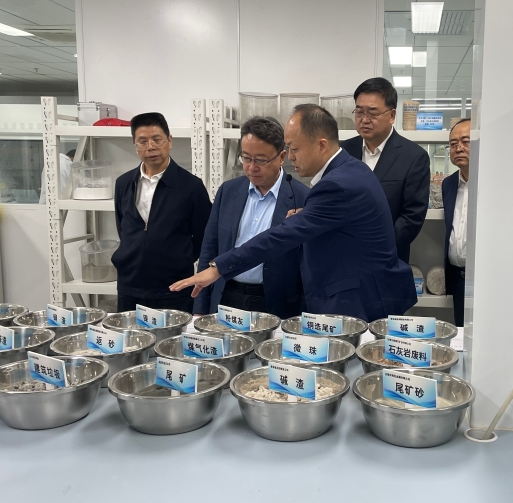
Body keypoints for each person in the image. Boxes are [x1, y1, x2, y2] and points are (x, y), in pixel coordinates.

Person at [170, 104, 417, 321]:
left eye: (294, 149)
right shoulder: (351, 170)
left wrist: (218, 268)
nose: (291, 158)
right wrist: (308, 215)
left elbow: (278, 237)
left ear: (321, 145)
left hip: (357, 299)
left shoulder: (336, 184)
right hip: (367, 290)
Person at [194, 116, 309, 318]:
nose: (251, 167)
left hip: (275, 303)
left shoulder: (302, 198)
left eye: (261, 160)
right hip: (226, 295)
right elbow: (209, 249)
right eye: (246, 158)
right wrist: (200, 310)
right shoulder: (228, 191)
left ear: (281, 157)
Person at [112, 112, 212, 314]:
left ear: (169, 141)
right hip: (130, 287)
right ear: (135, 145)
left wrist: (177, 259)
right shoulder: (124, 183)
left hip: (175, 288)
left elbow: (204, 238)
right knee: (130, 334)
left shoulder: (191, 186)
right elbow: (123, 228)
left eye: (157, 140)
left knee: (173, 335)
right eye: (143, 141)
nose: (150, 147)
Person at [341, 78, 430, 263]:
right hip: (342, 258)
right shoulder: (342, 152)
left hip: (387, 259)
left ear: (392, 115)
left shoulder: (414, 157)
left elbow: (412, 217)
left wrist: (375, 247)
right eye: (359, 112)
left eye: (373, 113)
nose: (364, 119)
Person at [442, 118, 470, 326]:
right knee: (462, 334)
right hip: (459, 279)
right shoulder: (449, 184)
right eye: (453, 144)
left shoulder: (494, 183)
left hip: (488, 280)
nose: (458, 148)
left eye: (466, 142)